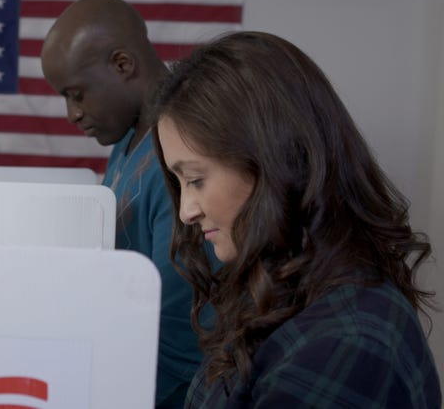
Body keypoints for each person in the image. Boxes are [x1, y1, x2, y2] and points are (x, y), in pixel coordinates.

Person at [152, 30, 441, 407]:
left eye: (196, 180)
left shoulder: (345, 345)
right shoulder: (282, 288)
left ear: (275, 161)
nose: (187, 210)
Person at [40, 0, 215, 408]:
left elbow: (177, 332)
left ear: (122, 64)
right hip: (126, 360)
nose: (71, 114)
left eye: (77, 94)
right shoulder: (127, 141)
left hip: (166, 386)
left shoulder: (179, 158)